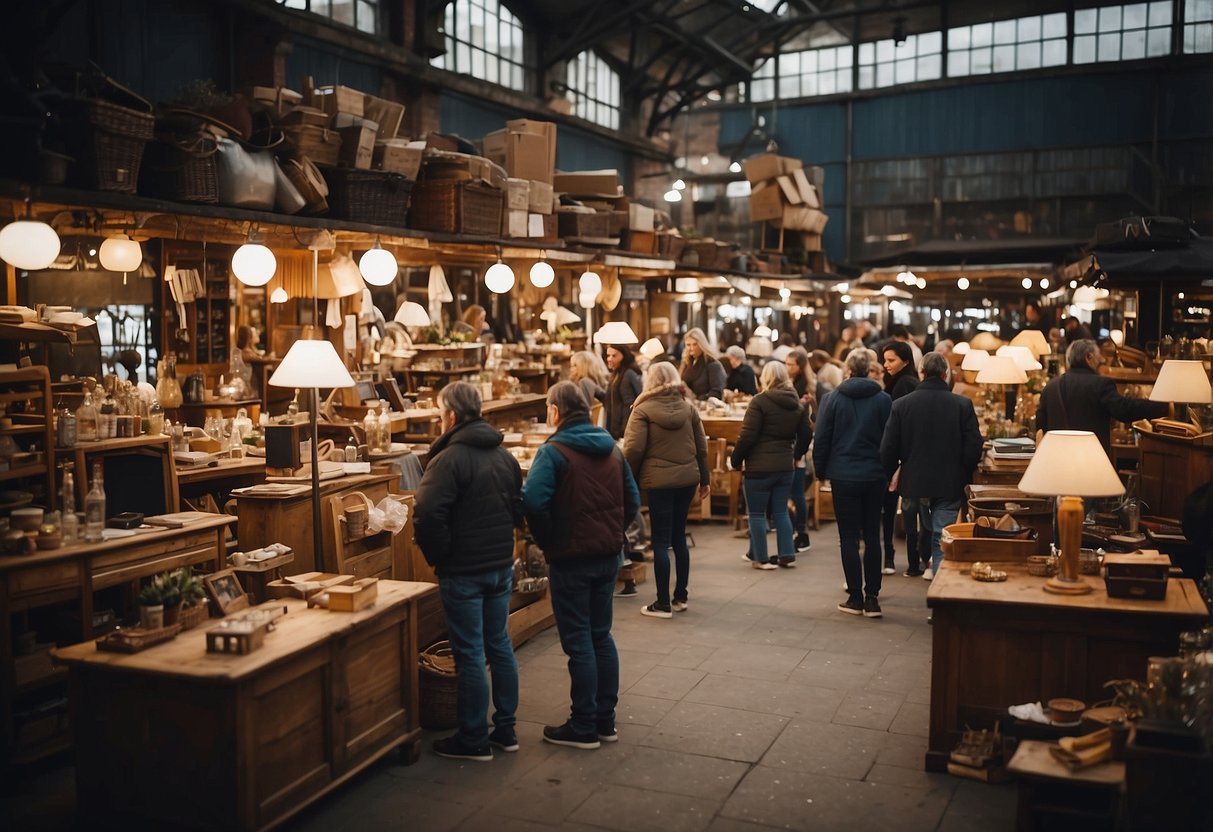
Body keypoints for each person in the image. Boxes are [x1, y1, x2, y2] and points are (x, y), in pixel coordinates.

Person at [522, 382, 640, 749]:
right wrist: (611, 531)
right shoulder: (612, 450)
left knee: (579, 642)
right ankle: (605, 720)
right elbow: (632, 501)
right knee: (600, 634)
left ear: (556, 411)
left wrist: (549, 541)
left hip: (571, 559)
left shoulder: (553, 452)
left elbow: (533, 502)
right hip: (607, 555)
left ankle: (584, 724)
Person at [414, 381, 523, 761]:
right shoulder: (503, 456)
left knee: (471, 653)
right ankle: (506, 730)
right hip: (498, 565)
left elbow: (427, 514)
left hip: (463, 569)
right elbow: (516, 507)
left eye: (440, 411)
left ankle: (474, 737)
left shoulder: (448, 459)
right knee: (499, 644)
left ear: (452, 416)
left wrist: (440, 557)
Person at [879, 353, 983, 581]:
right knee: (941, 535)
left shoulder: (901, 405)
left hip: (914, 481)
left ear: (921, 373)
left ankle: (929, 570)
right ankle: (940, 593)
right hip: (950, 481)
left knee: (926, 526)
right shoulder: (962, 404)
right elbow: (974, 445)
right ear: (946, 375)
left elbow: (888, 447)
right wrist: (964, 471)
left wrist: (890, 474)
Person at [623, 362, 710, 618]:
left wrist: (629, 480)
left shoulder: (642, 410)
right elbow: (701, 447)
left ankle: (662, 603)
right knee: (678, 537)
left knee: (659, 541)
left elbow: (633, 450)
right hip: (686, 480)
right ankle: (680, 596)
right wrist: (704, 479)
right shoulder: (688, 408)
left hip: (658, 482)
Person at [813, 349, 892, 619]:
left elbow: (822, 438)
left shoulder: (831, 399)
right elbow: (890, 439)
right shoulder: (883, 400)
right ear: (869, 369)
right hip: (874, 475)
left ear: (847, 370)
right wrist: (889, 469)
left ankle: (855, 597)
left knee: (848, 537)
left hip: (843, 475)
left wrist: (821, 471)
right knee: (873, 536)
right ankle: (873, 598)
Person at [730, 362, 812, 569]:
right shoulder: (797, 404)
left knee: (756, 514)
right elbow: (806, 434)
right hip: (785, 466)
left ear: (765, 378)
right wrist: (796, 454)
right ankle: (786, 554)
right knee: (781, 512)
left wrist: (736, 460)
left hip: (759, 467)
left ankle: (761, 558)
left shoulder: (759, 402)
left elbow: (747, 437)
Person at [1037, 339, 1167, 456]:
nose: (1103, 360)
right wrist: (1164, 407)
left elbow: (1040, 426)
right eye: (1099, 356)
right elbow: (1124, 410)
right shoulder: (1101, 384)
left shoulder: (1050, 387)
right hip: (1092, 459)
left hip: (1057, 460)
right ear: (1089, 357)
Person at [880, 340, 921, 576]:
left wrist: (891, 462)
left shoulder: (903, 384)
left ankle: (892, 557)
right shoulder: (904, 381)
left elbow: (895, 426)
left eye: (891, 360)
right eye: (885, 360)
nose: (886, 365)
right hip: (907, 454)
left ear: (905, 360)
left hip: (900, 456)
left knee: (899, 508)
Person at [784, 347, 816, 552]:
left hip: (798, 445)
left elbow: (806, 425)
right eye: (786, 364)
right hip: (793, 443)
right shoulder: (791, 384)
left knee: (796, 493)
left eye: (791, 364)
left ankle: (802, 533)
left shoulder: (805, 388)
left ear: (801, 366)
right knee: (790, 493)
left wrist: (798, 453)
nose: (787, 368)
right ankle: (796, 529)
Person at [604, 344, 642, 439]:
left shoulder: (629, 373)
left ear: (623, 356)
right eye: (608, 355)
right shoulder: (615, 374)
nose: (609, 359)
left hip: (625, 429)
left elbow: (634, 401)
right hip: (614, 428)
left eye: (614, 355)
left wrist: (625, 429)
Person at [680, 327, 726, 400]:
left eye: (695, 344)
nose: (691, 348)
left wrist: (699, 400)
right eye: (688, 345)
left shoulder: (712, 364)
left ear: (701, 344)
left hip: (705, 406)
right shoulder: (687, 362)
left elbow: (717, 392)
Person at [569, 350, 609, 414]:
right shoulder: (592, 383)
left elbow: (585, 409)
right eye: (571, 366)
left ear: (584, 367)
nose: (571, 369)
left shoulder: (585, 382)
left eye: (575, 365)